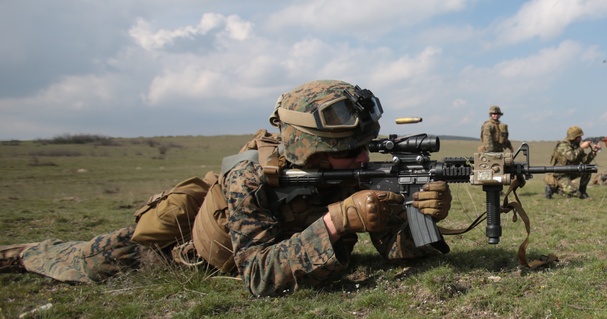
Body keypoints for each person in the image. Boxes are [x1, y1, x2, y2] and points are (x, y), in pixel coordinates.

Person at [0, 80, 453, 297]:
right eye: (348, 151)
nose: (361, 161)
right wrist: (338, 221)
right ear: (310, 148)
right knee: (63, 260)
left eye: (365, 148)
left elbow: (398, 253)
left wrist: (421, 216)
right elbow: (257, 277)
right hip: (170, 251)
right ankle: (17, 253)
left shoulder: (354, 170)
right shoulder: (249, 177)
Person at [544, 126, 598, 199]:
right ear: (574, 137)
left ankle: (583, 192)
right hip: (561, 175)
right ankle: (553, 188)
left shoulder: (576, 146)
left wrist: (593, 152)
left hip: (571, 171)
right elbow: (572, 157)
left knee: (588, 169)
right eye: (579, 137)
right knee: (575, 194)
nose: (581, 139)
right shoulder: (563, 145)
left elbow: (585, 161)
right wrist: (582, 147)